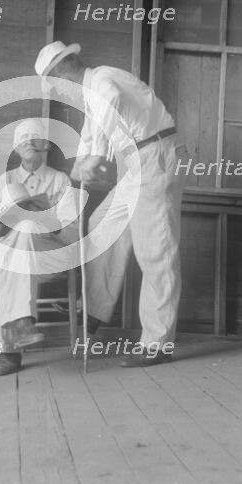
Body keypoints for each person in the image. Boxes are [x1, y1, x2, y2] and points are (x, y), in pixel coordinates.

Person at [35, 41, 187, 367]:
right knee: (102, 223)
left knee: (155, 250)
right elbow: (91, 135)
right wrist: (79, 166)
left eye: (54, 83)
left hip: (155, 156)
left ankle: (157, 343)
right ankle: (94, 312)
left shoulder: (103, 81)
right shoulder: (91, 96)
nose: (57, 92)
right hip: (136, 163)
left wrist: (98, 155)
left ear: (64, 70)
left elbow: (110, 105)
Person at [0, 118, 78, 375]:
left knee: (26, 231)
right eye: (23, 139)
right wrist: (8, 215)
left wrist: (44, 220)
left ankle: (8, 351)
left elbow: (72, 233)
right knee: (16, 240)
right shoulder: (6, 181)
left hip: (49, 256)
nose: (29, 143)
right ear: (15, 147)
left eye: (35, 138)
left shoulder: (60, 181)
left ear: (46, 145)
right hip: (13, 255)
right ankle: (21, 323)